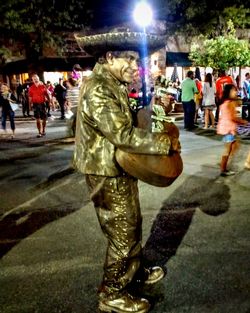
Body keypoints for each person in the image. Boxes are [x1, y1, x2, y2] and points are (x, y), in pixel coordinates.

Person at [73, 30, 180, 313]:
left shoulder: (110, 83)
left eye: (137, 60)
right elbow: (121, 134)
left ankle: (134, 270)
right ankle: (113, 292)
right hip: (106, 172)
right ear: (109, 57)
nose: (136, 66)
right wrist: (164, 141)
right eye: (130, 59)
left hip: (115, 168)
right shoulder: (99, 88)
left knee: (131, 223)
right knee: (123, 230)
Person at [217, 84, 247, 176]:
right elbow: (232, 117)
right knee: (228, 150)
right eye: (234, 90)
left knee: (235, 146)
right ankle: (223, 169)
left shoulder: (226, 102)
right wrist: (244, 122)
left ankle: (223, 164)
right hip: (228, 130)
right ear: (229, 92)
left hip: (228, 129)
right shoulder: (229, 103)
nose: (236, 92)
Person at [28, 73, 52, 138]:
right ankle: (39, 132)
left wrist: (50, 102)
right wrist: (29, 106)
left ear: (39, 79)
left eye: (36, 78)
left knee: (44, 118)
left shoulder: (43, 86)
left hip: (43, 104)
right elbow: (30, 98)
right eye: (34, 79)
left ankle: (43, 130)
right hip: (35, 104)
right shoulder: (31, 88)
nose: (35, 80)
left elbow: (47, 95)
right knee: (38, 119)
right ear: (32, 80)